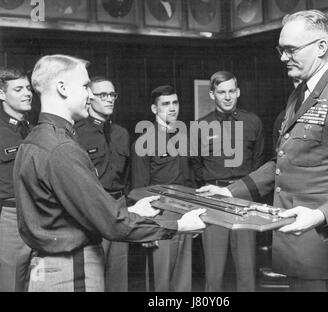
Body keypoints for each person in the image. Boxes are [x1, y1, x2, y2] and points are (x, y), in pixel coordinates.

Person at [198, 10, 328, 292]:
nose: (283, 58)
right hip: (296, 250)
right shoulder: (300, 94)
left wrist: (318, 216)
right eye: (281, 50)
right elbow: (283, 163)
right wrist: (230, 192)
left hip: (326, 253)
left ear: (321, 47)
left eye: (291, 50)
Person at [13, 54, 206, 292]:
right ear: (61, 88)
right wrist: (178, 225)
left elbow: (68, 209)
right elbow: (111, 223)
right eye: (85, 86)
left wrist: (132, 209)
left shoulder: (35, 139)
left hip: (51, 266)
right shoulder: (62, 148)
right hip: (72, 272)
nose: (91, 95)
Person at [192, 71, 265, 292]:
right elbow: (195, 166)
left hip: (244, 201)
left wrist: (247, 196)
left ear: (238, 92)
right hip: (213, 200)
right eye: (221, 92)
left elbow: (260, 165)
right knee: (214, 272)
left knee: (246, 269)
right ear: (212, 94)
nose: (227, 97)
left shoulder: (253, 122)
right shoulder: (200, 126)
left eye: (231, 91)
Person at [130, 85, 194, 292]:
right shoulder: (143, 142)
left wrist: (193, 213)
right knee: (161, 282)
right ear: (154, 109)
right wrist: (145, 227)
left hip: (184, 212)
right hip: (160, 215)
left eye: (175, 103)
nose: (172, 108)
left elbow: (189, 179)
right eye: (165, 104)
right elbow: (139, 189)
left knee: (183, 280)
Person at [75, 76, 130, 292]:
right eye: (103, 95)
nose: (109, 99)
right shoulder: (77, 132)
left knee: (118, 276)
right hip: (92, 210)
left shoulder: (121, 133)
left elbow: (127, 176)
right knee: (92, 275)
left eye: (112, 95)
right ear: (89, 98)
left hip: (119, 206)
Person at [0, 67, 33, 292]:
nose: (27, 93)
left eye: (29, 88)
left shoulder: (31, 129)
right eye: (19, 89)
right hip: (10, 215)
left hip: (37, 214)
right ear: (2, 94)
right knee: (12, 283)